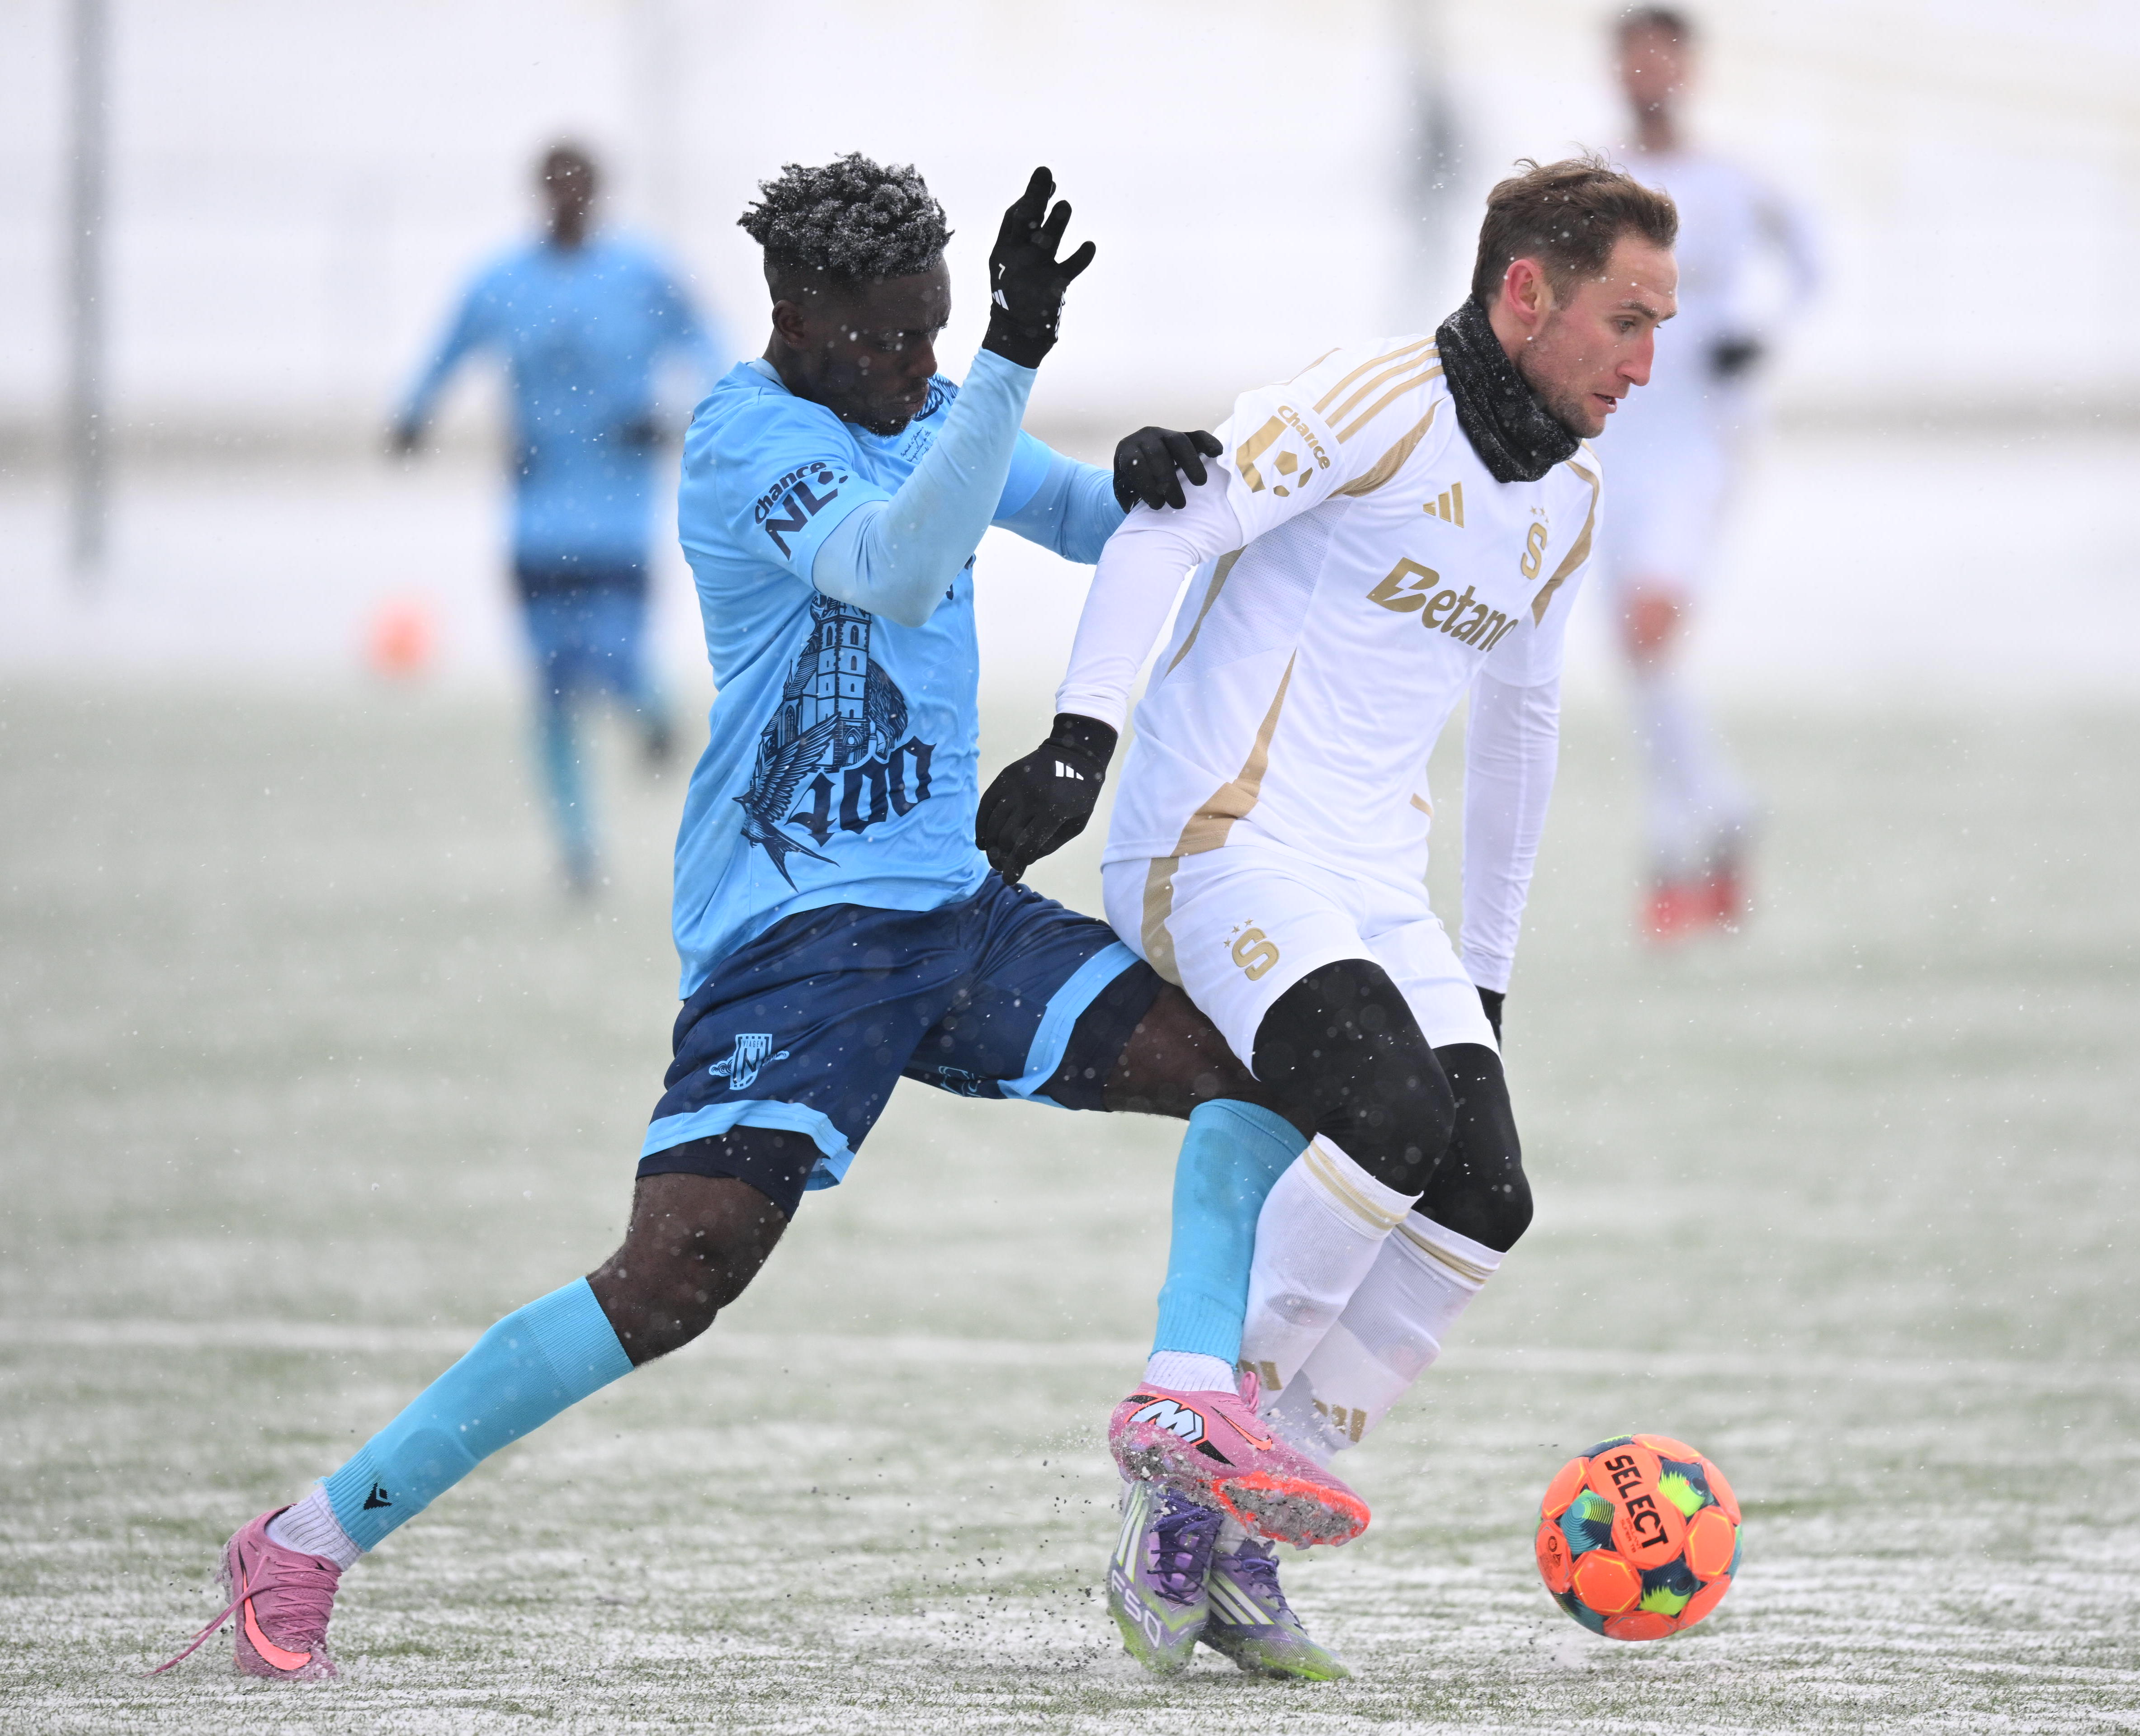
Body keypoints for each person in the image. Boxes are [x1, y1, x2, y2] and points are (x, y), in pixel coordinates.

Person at [155, 156, 1343, 1685]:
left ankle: (1186, 1449)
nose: (916, 363)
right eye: (889, 336)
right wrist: (1004, 360)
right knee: (671, 1283)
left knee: (1248, 1074)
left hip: (953, 918)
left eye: (935, 330)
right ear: (796, 313)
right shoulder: (746, 440)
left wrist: (1148, 472)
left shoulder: (923, 400)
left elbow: (1065, 509)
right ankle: (305, 1540)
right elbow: (900, 569)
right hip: (797, 939)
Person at [979, 156, 1679, 1679]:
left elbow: (1522, 727)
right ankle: (1195, 1449)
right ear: (1526, 293)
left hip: (1366, 880)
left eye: (1660, 329)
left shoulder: (1568, 495)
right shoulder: (1374, 401)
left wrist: (1485, 975)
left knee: (1485, 1192)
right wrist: (1081, 742)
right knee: (1390, 1113)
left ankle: (1237, 1521)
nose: (1645, 363)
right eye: (1627, 322)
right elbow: (1162, 526)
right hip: (1214, 840)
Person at [392, 142, 719, 895]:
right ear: (539, 191)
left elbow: (711, 348)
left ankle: (650, 711)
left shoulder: (644, 276)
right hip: (537, 519)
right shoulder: (502, 282)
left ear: (600, 193)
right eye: (557, 186)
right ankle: (578, 850)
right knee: (551, 691)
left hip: (619, 518)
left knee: (609, 658)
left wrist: (685, 417)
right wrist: (412, 415)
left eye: (581, 186)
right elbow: (450, 347)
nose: (569, 199)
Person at [1604, 7, 1819, 941]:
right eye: (1635, 57)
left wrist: (1758, 335)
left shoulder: (1732, 182)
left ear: (1688, 68)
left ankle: (1681, 834)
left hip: (1697, 446)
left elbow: (1813, 262)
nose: (1649, 73)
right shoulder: (1598, 184)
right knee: (1636, 653)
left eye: (1663, 57)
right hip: (1606, 443)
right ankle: (1711, 824)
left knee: (1651, 631)